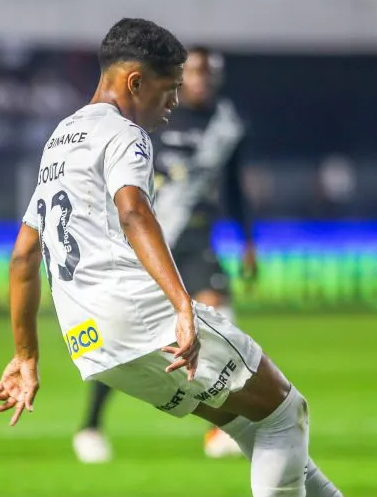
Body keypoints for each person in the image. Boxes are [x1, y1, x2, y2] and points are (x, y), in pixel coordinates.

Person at [0, 18, 377, 497]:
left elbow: (25, 255)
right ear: (133, 82)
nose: (175, 101)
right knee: (287, 411)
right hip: (141, 317)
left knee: (253, 426)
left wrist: (27, 357)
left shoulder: (61, 139)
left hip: (92, 344)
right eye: (168, 87)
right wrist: (184, 305)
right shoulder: (126, 136)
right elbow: (134, 215)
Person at [73, 45, 256, 463]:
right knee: (129, 337)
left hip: (198, 240)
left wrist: (248, 242)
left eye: (208, 75)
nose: (200, 82)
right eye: (193, 73)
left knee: (220, 323)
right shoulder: (155, 116)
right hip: (154, 239)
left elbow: (234, 189)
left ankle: (220, 427)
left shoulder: (228, 125)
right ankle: (90, 425)